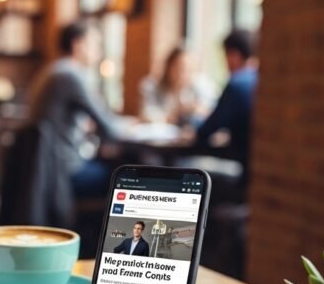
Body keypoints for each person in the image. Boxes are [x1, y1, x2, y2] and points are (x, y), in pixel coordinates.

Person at [27, 21, 123, 201]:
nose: (99, 51)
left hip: (48, 167)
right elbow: (109, 126)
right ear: (78, 44)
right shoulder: (70, 74)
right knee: (125, 180)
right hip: (64, 171)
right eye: (95, 44)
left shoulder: (53, 70)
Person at [194, 30, 258, 171]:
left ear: (233, 55)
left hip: (241, 166)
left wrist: (195, 124)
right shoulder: (259, 78)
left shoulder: (237, 83)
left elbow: (206, 131)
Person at [139, 47, 216, 128]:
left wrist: (196, 110)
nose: (182, 74)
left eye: (188, 70)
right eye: (179, 68)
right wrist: (173, 115)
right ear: (168, 66)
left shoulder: (200, 85)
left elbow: (212, 112)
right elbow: (145, 115)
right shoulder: (151, 86)